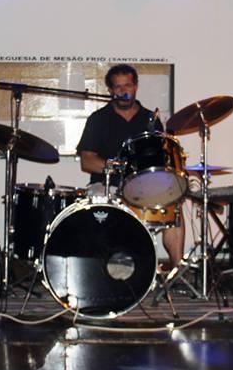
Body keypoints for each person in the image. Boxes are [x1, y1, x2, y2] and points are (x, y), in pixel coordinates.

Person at [77, 64, 186, 272]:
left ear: (135, 86)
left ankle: (177, 271)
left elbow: (161, 161)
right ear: (110, 90)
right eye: (117, 87)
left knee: (175, 207)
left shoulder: (150, 120)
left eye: (127, 85)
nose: (122, 90)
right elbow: (87, 161)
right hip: (107, 185)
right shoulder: (98, 120)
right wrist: (117, 168)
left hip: (145, 187)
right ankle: (103, 271)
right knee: (98, 201)